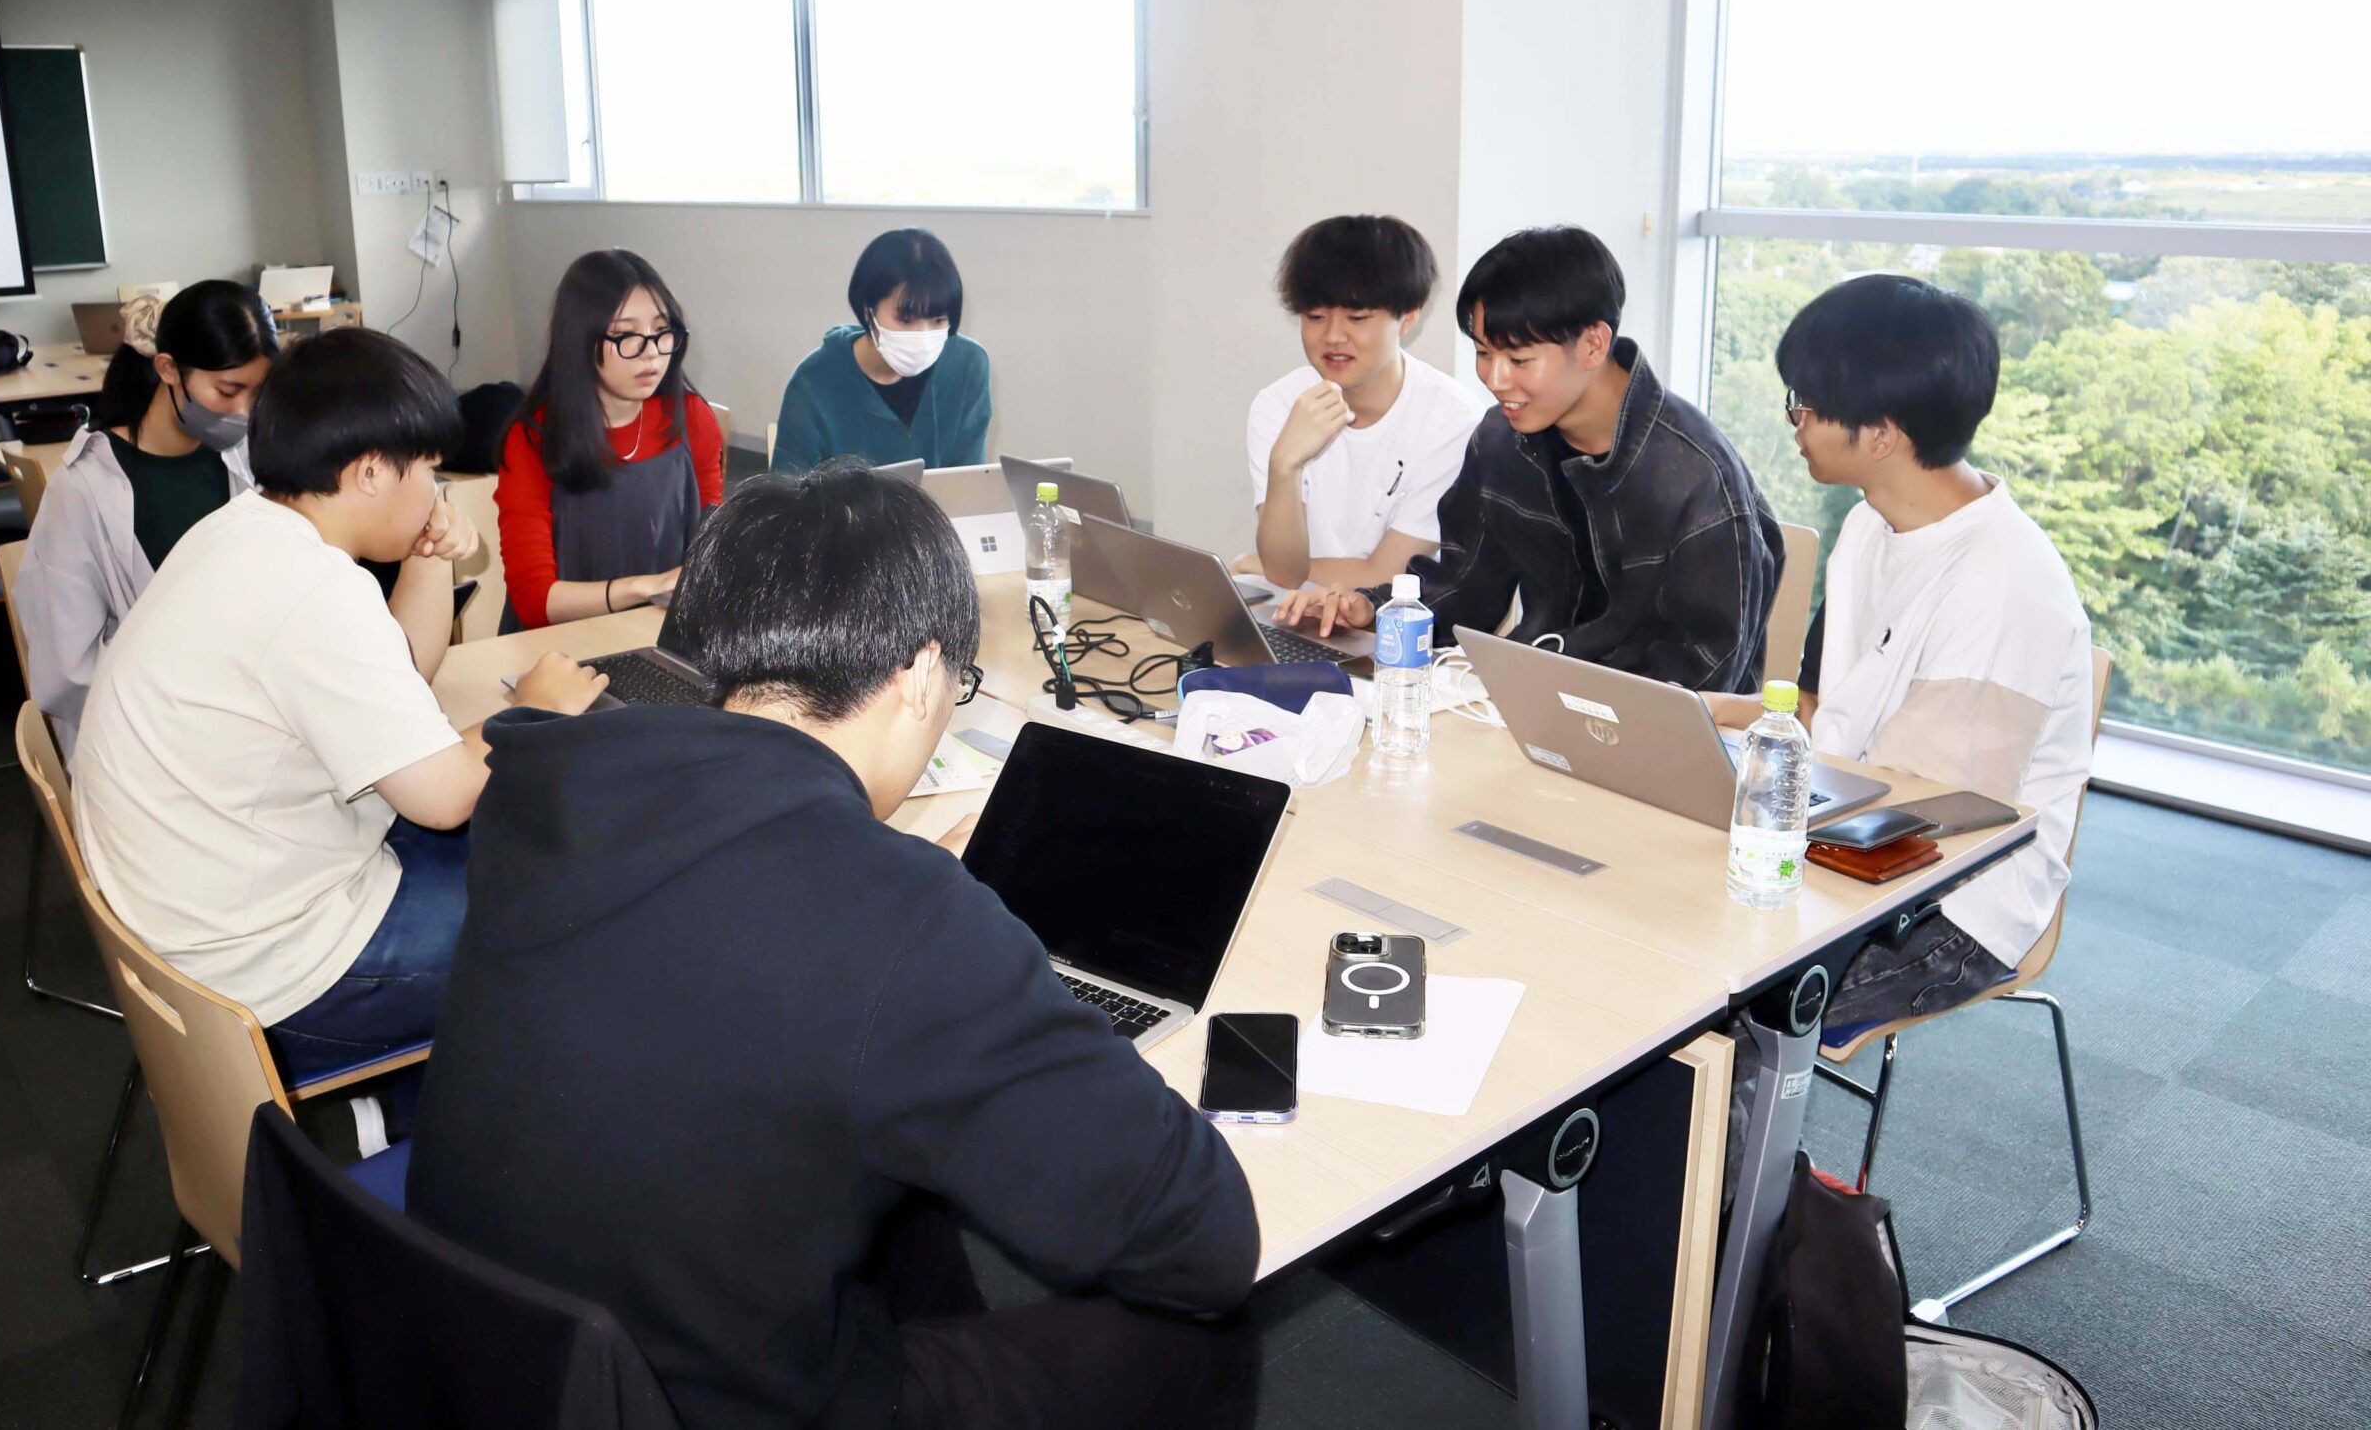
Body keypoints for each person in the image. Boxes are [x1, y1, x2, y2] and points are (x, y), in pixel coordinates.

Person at [411, 462, 1260, 1430]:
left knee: (905, 1183)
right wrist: (977, 950)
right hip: (696, 1407)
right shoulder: (901, 921)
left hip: (486, 1355)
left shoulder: (548, 786)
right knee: (1201, 1337)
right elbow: (1203, 1242)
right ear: (923, 674)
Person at [69, 328, 607, 1080]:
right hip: (271, 975)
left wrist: (427, 554)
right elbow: (444, 797)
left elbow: (400, 677)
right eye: (427, 469)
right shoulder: (313, 590)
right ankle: (431, 1117)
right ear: (370, 472)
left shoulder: (245, 531)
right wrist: (534, 708)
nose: (436, 490)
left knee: (528, 845)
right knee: (582, 920)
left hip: (202, 920)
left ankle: (415, 1099)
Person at [1708, 276, 2094, 1042]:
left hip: (1951, 906)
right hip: (1844, 831)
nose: (1795, 421)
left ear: (1882, 434)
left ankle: (1746, 1125)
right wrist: (1703, 716)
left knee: (1717, 992)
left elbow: (1928, 819)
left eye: (1806, 404)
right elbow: (1816, 709)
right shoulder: (1870, 527)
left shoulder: (2005, 583)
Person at [1281, 224, 1783, 693]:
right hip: (1532, 700)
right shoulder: (1502, 441)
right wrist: (1373, 611)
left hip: (1644, 731)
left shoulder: (1695, 478)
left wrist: (1578, 710)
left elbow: (1705, 675)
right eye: (1483, 353)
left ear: (1593, 345)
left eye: (1519, 360)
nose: (1495, 379)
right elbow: (1465, 589)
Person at [11, 283, 277, 756]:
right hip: (144, 737)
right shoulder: (86, 488)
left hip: (244, 709)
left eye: (256, 392)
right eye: (228, 390)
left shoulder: (243, 461)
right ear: (168, 369)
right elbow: (68, 671)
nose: (243, 412)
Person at [1242, 215, 1477, 591]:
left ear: (1409, 316)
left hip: (1396, 620)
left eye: (1357, 317)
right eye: (1315, 316)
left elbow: (1386, 577)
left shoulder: (1452, 420)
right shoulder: (1279, 404)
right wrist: (1284, 464)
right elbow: (1284, 573)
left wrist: (1257, 564)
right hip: (1294, 614)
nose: (1333, 336)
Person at [496, 249, 726, 630]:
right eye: (626, 336)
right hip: (558, 646)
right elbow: (535, 601)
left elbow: (713, 550)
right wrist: (643, 588)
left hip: (658, 633)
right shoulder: (533, 439)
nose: (651, 353)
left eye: (661, 332)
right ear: (580, 341)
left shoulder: (692, 418)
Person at [772, 228, 991, 472]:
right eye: (905, 320)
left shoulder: (967, 365)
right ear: (868, 311)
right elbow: (788, 487)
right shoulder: (814, 382)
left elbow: (969, 477)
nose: (922, 334)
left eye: (938, 320)